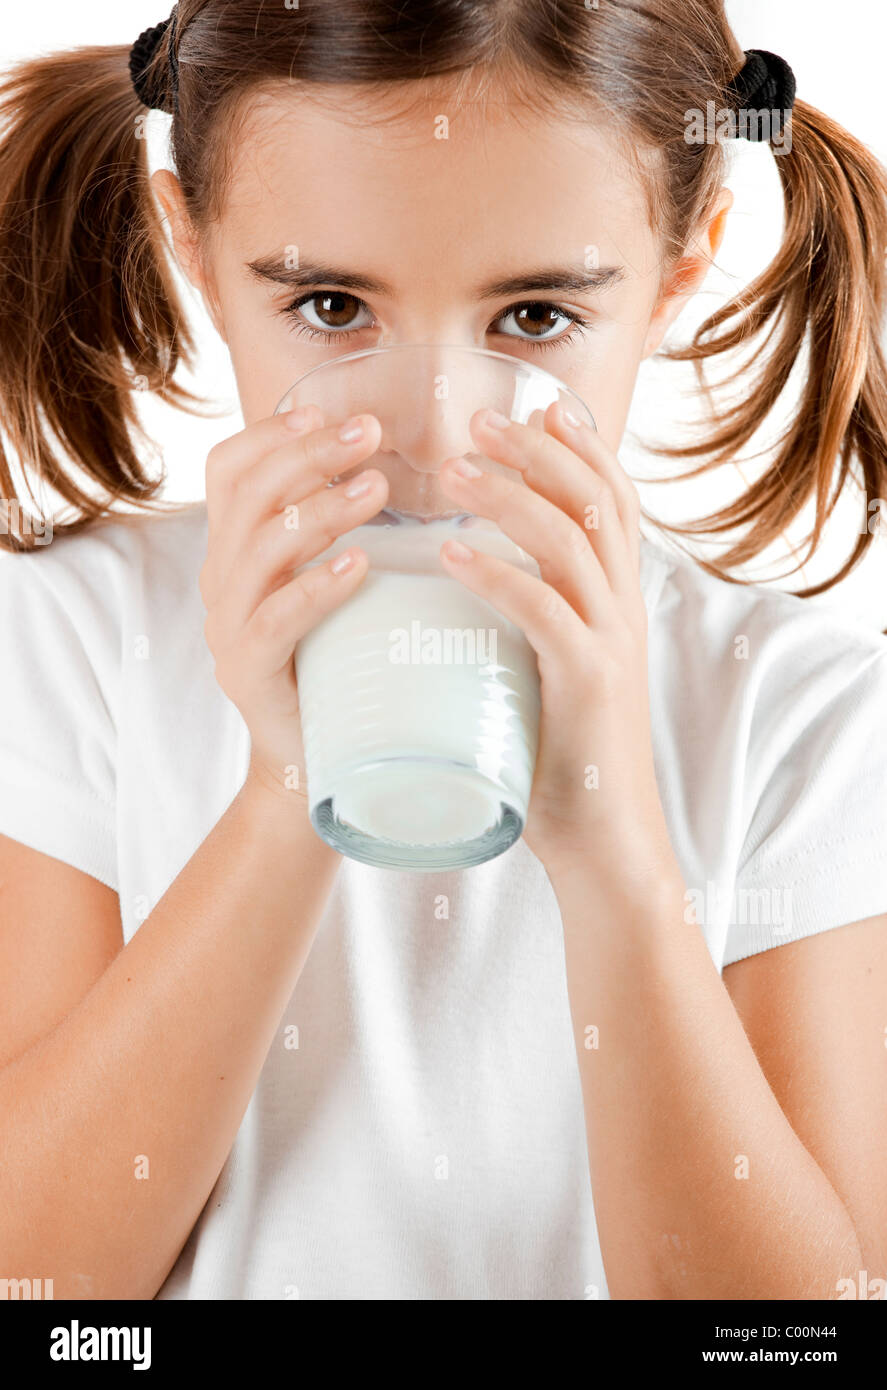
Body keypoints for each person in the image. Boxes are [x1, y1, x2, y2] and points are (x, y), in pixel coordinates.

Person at [0, 0, 885, 1301]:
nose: (431, 434)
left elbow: (793, 1338)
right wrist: (282, 793)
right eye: (330, 302)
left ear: (686, 261)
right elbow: (44, 1300)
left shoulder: (801, 714)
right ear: (191, 238)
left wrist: (614, 842)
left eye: (533, 318)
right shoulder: (75, 643)